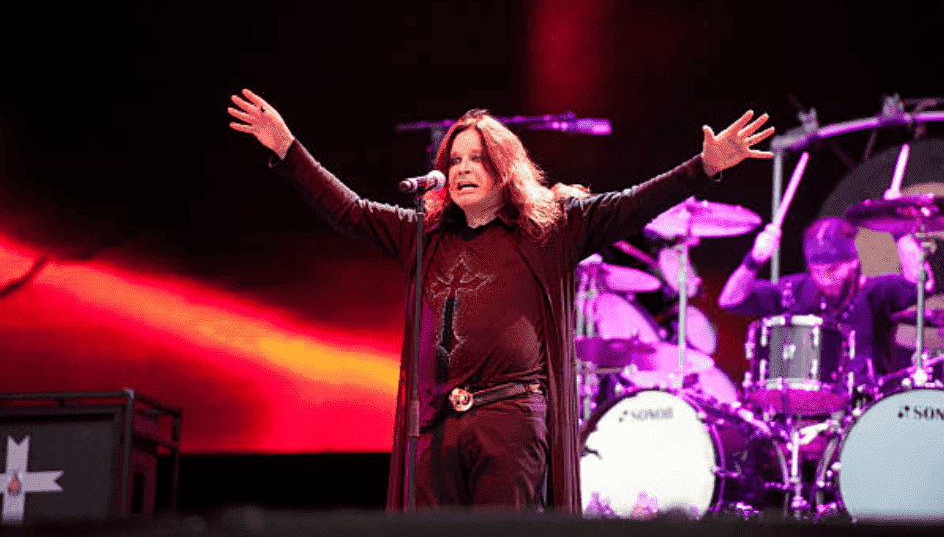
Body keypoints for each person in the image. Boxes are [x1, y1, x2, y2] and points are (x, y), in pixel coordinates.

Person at [227, 88, 775, 512]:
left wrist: (702, 167)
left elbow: (634, 204)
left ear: (504, 166)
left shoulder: (552, 228)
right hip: (436, 423)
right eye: (456, 159)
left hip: (511, 419)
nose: (463, 168)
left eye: (477, 158)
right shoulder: (423, 234)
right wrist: (288, 150)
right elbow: (348, 210)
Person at [718, 216, 943, 382]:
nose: (824, 279)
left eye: (833, 269)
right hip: (799, 400)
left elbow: (921, 284)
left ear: (853, 262)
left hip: (861, 403)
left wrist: (900, 230)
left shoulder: (875, 291)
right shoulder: (794, 290)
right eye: (817, 270)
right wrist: (754, 260)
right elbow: (729, 300)